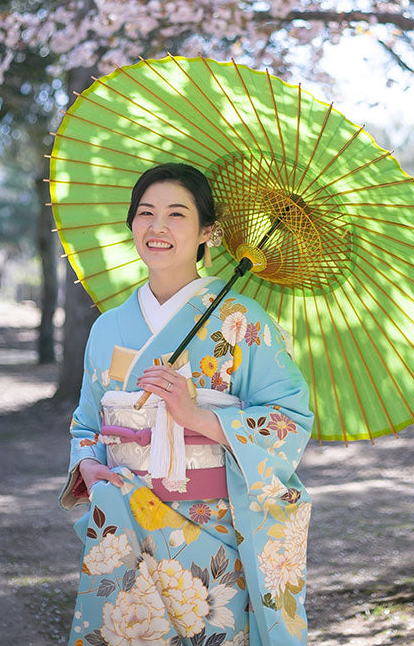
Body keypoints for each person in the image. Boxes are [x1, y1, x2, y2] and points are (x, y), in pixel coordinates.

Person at [59, 163, 313, 646]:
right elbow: (86, 423)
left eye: (177, 214)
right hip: (123, 525)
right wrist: (88, 465)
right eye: (145, 213)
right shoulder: (107, 326)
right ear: (131, 223)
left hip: (210, 528)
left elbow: (290, 417)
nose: (158, 227)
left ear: (207, 232)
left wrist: (199, 417)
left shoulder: (241, 321)